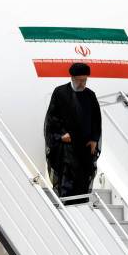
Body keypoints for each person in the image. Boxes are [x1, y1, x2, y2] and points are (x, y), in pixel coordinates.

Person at [44, 62, 101, 204]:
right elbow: (52, 118)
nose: (82, 83)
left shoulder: (90, 95)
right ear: (72, 78)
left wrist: (94, 139)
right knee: (67, 179)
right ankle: (67, 206)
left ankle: (80, 208)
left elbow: (96, 120)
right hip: (66, 147)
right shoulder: (60, 93)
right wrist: (61, 135)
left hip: (85, 147)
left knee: (83, 179)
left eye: (85, 80)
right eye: (80, 80)